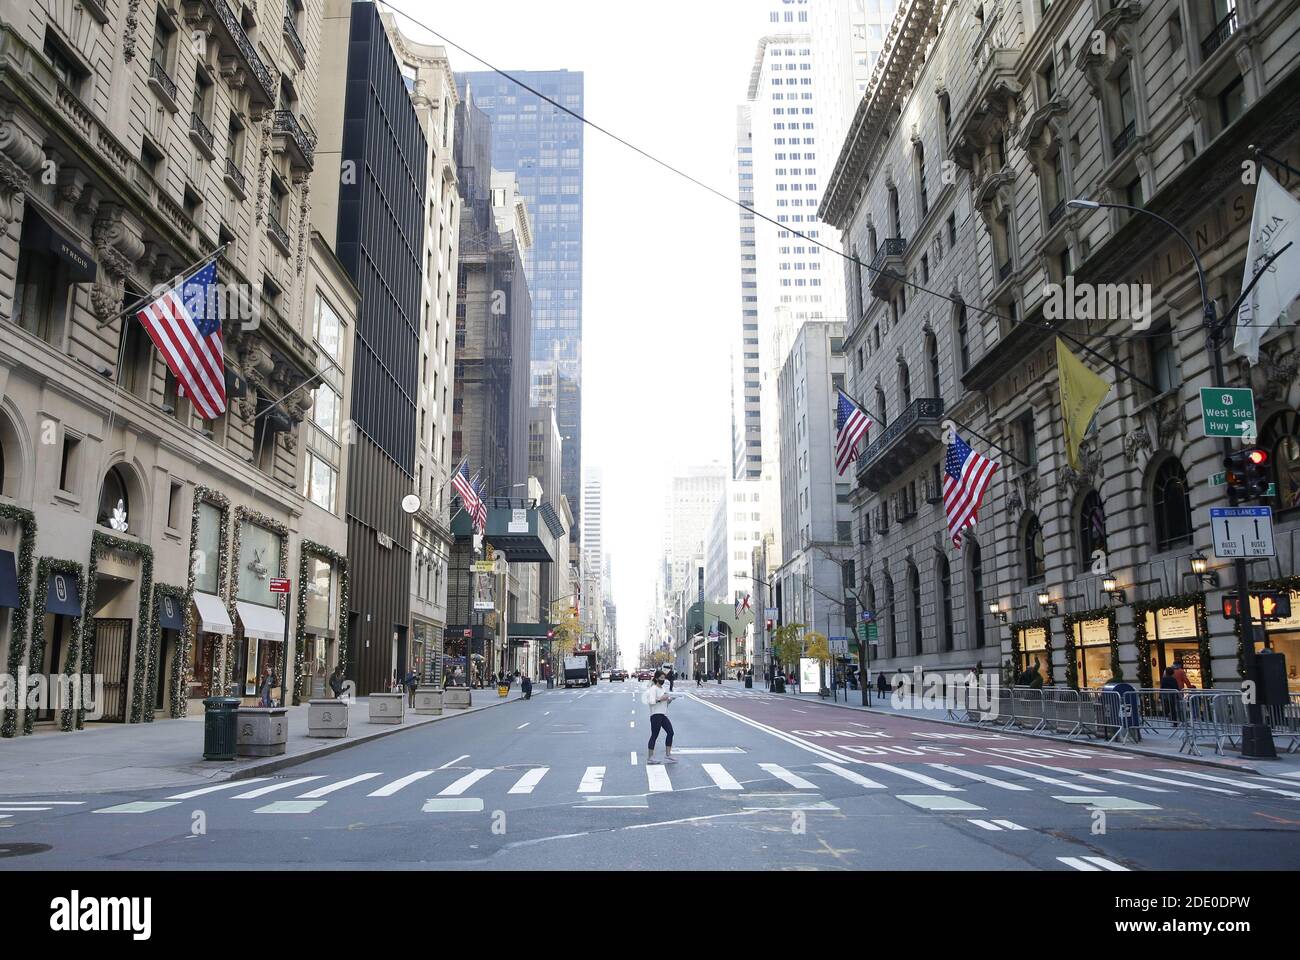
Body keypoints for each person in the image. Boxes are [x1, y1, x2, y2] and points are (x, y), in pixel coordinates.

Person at [645, 671, 676, 764]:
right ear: (657, 678)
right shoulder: (653, 689)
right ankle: (650, 757)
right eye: (661, 678)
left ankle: (668, 754)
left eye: (664, 678)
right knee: (654, 735)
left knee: (670, 732)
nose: (663, 680)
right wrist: (661, 698)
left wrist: (669, 700)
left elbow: (664, 703)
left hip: (663, 714)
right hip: (655, 715)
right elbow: (651, 702)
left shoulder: (663, 689)